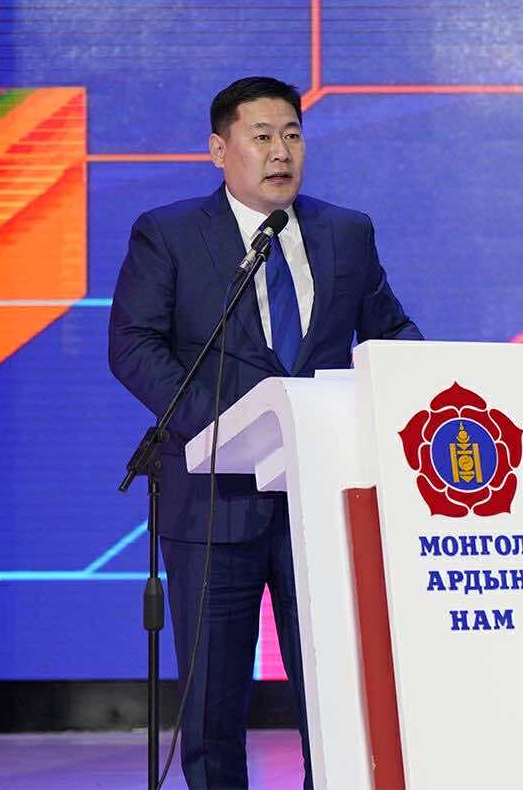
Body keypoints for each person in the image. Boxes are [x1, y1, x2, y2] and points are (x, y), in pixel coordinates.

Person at [108, 76, 422, 789]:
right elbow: (133, 345)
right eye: (262, 137)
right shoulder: (171, 234)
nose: (281, 152)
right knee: (213, 707)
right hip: (214, 500)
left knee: (337, 695)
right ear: (219, 150)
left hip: (323, 504)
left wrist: (419, 385)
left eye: (293, 135)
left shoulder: (346, 232)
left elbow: (390, 332)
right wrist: (222, 427)